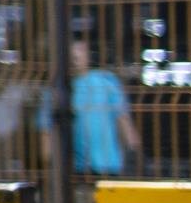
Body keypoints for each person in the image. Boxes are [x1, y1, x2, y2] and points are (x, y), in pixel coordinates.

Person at [47, 38, 139, 178]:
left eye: (79, 52)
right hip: (75, 168)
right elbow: (47, 131)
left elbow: (123, 120)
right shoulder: (56, 90)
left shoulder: (106, 81)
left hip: (109, 164)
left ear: (88, 55)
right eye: (71, 55)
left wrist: (133, 153)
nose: (75, 58)